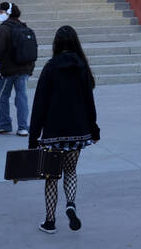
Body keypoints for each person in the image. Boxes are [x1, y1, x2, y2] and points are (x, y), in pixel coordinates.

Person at [29, 26, 99, 234]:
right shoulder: (82, 67)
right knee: (70, 170)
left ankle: (50, 221)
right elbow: (89, 101)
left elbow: (39, 103)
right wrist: (94, 129)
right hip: (78, 130)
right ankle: (70, 204)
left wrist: (34, 136)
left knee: (52, 176)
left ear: (56, 44)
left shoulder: (50, 68)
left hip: (53, 131)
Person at [0, 2, 36, 136]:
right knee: (21, 97)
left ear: (8, 12)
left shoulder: (4, 28)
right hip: (24, 68)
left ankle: (4, 125)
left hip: (7, 70)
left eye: (1, 12)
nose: (0, 14)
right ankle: (23, 127)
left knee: (3, 97)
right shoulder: (24, 26)